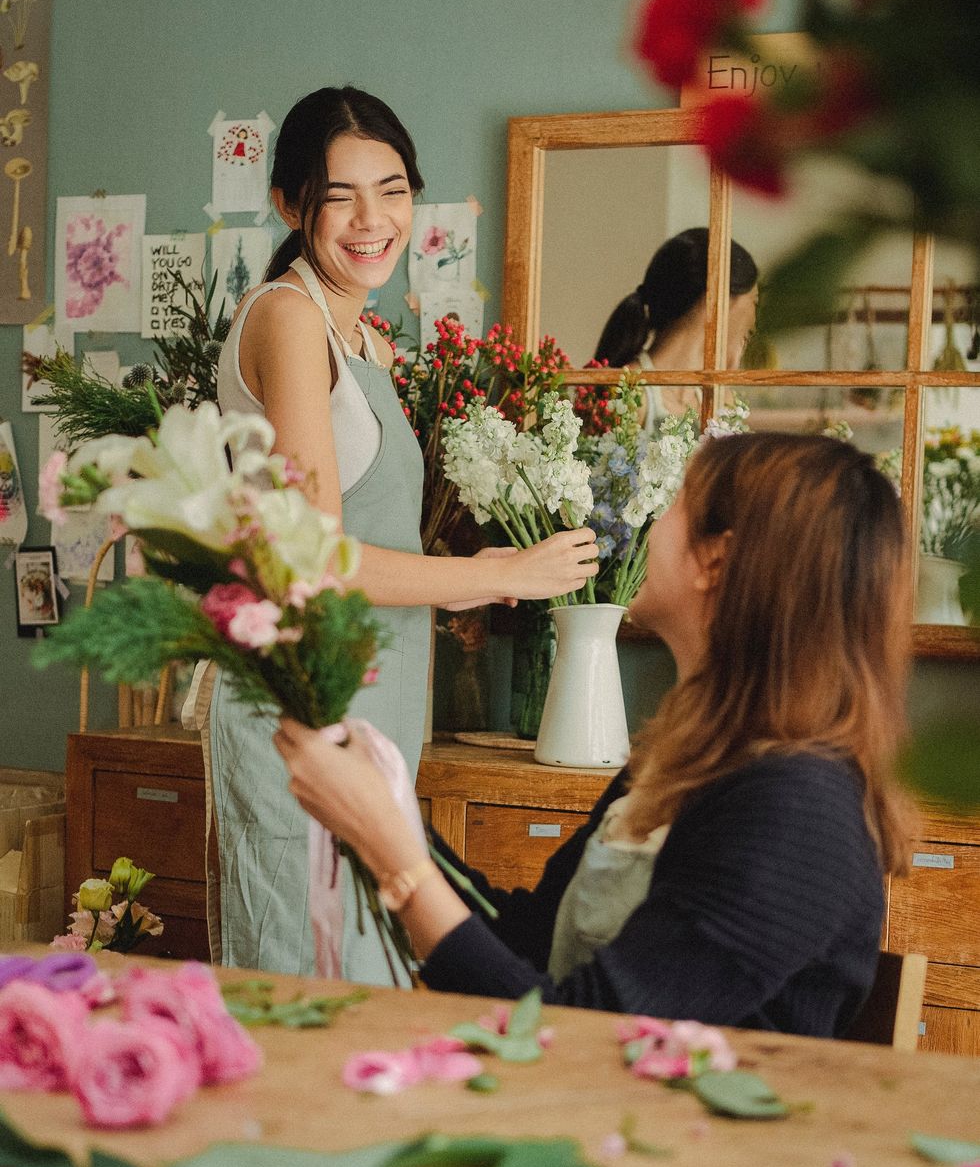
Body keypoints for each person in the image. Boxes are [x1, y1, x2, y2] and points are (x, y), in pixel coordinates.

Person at [275, 431, 914, 1038]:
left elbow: (584, 1032)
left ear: (715, 562)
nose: (646, 525)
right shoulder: (687, 758)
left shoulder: (797, 812)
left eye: (671, 507)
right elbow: (531, 940)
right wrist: (375, 814)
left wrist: (398, 860)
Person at [207, 85, 598, 982]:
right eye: (340, 195)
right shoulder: (289, 319)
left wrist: (486, 568)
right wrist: (501, 574)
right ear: (290, 205)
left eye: (392, 189)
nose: (372, 219)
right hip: (300, 704)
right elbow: (310, 555)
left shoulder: (368, 341)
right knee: (306, 986)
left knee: (370, 977)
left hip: (373, 698)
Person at [593, 227, 759, 432]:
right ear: (714, 301)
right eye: (753, 300)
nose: (754, 314)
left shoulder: (721, 399)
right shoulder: (630, 395)